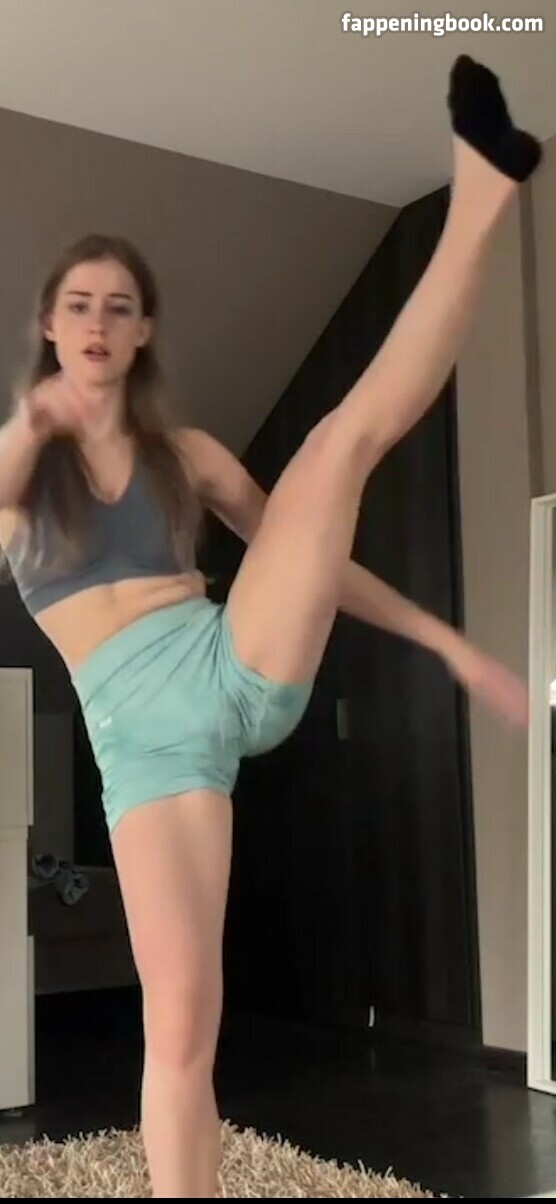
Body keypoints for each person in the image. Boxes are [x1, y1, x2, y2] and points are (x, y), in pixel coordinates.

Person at [0, 55, 541, 1199]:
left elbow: (312, 556)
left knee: (338, 443)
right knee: (181, 1030)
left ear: (143, 331)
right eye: (78, 303)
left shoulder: (188, 456)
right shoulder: (19, 479)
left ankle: (486, 189)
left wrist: (441, 639)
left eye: (119, 305)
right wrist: (29, 422)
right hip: (154, 753)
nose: (97, 321)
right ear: (48, 324)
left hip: (235, 661)